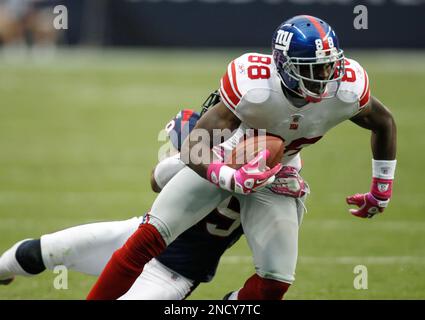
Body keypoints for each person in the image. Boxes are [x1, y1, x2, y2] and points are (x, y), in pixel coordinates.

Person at [85, 15, 397, 300]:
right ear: (284, 67)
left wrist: (381, 187)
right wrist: (230, 176)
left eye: (328, 65)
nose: (325, 75)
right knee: (147, 239)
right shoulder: (256, 87)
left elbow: (383, 122)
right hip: (227, 155)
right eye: (312, 68)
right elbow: (195, 145)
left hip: (278, 172)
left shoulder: (347, 88)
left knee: (275, 283)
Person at [0, 108, 308, 299]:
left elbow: (279, 240)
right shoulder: (211, 155)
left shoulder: (278, 183)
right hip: (138, 236)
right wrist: (215, 162)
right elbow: (157, 178)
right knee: (43, 250)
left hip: (174, 273)